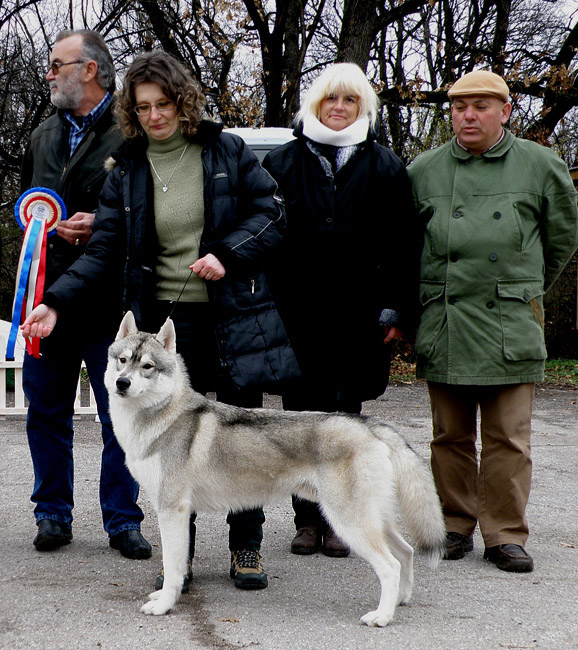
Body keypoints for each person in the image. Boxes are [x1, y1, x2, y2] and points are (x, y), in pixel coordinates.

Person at [21, 50, 299, 591]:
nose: (155, 116)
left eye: (164, 104)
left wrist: (227, 252)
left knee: (242, 440)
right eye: (143, 107)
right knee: (173, 450)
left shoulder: (225, 149)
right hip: (163, 330)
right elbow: (102, 250)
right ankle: (181, 561)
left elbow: (273, 213)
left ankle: (247, 548)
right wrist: (56, 301)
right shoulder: (125, 168)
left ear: (183, 101)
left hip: (230, 316)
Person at [407, 69, 578, 572]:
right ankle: (454, 526)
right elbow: (406, 245)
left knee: (509, 436)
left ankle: (504, 533)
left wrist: (522, 291)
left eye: (481, 106)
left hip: (510, 318)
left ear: (506, 111)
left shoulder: (541, 165)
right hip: (447, 317)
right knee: (449, 435)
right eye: (460, 107)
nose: (468, 116)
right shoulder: (424, 170)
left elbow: (563, 238)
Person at [262, 63, 421, 557]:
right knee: (298, 422)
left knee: (346, 420)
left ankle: (339, 521)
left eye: (349, 101)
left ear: (362, 107)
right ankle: (305, 520)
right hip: (296, 315)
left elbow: (404, 245)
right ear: (315, 104)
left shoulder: (386, 166)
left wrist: (396, 311)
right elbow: (265, 239)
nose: (338, 108)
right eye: (330, 99)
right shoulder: (282, 164)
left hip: (359, 317)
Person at [19, 29, 150, 559]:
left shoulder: (133, 134)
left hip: (110, 303)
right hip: (48, 298)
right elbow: (29, 210)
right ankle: (52, 513)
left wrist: (104, 222)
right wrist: (48, 232)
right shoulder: (40, 138)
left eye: (57, 64)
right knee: (44, 410)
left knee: (121, 415)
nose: (48, 73)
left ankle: (123, 520)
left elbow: (148, 214)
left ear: (90, 69)